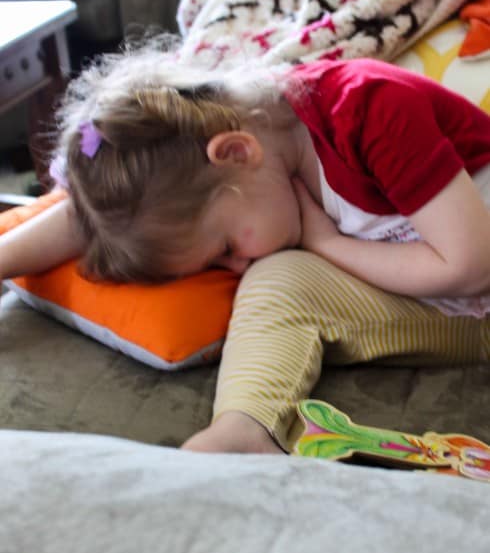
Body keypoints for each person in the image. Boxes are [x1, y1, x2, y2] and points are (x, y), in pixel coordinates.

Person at [0, 41, 489, 454]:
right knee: (277, 277)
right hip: (434, 296)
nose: (233, 267)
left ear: (237, 152)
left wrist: (327, 245)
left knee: (277, 276)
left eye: (226, 246)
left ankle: (241, 434)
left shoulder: (369, 108)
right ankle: (245, 432)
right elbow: (99, 213)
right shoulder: (232, 164)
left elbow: (471, 265)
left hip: (477, 293)